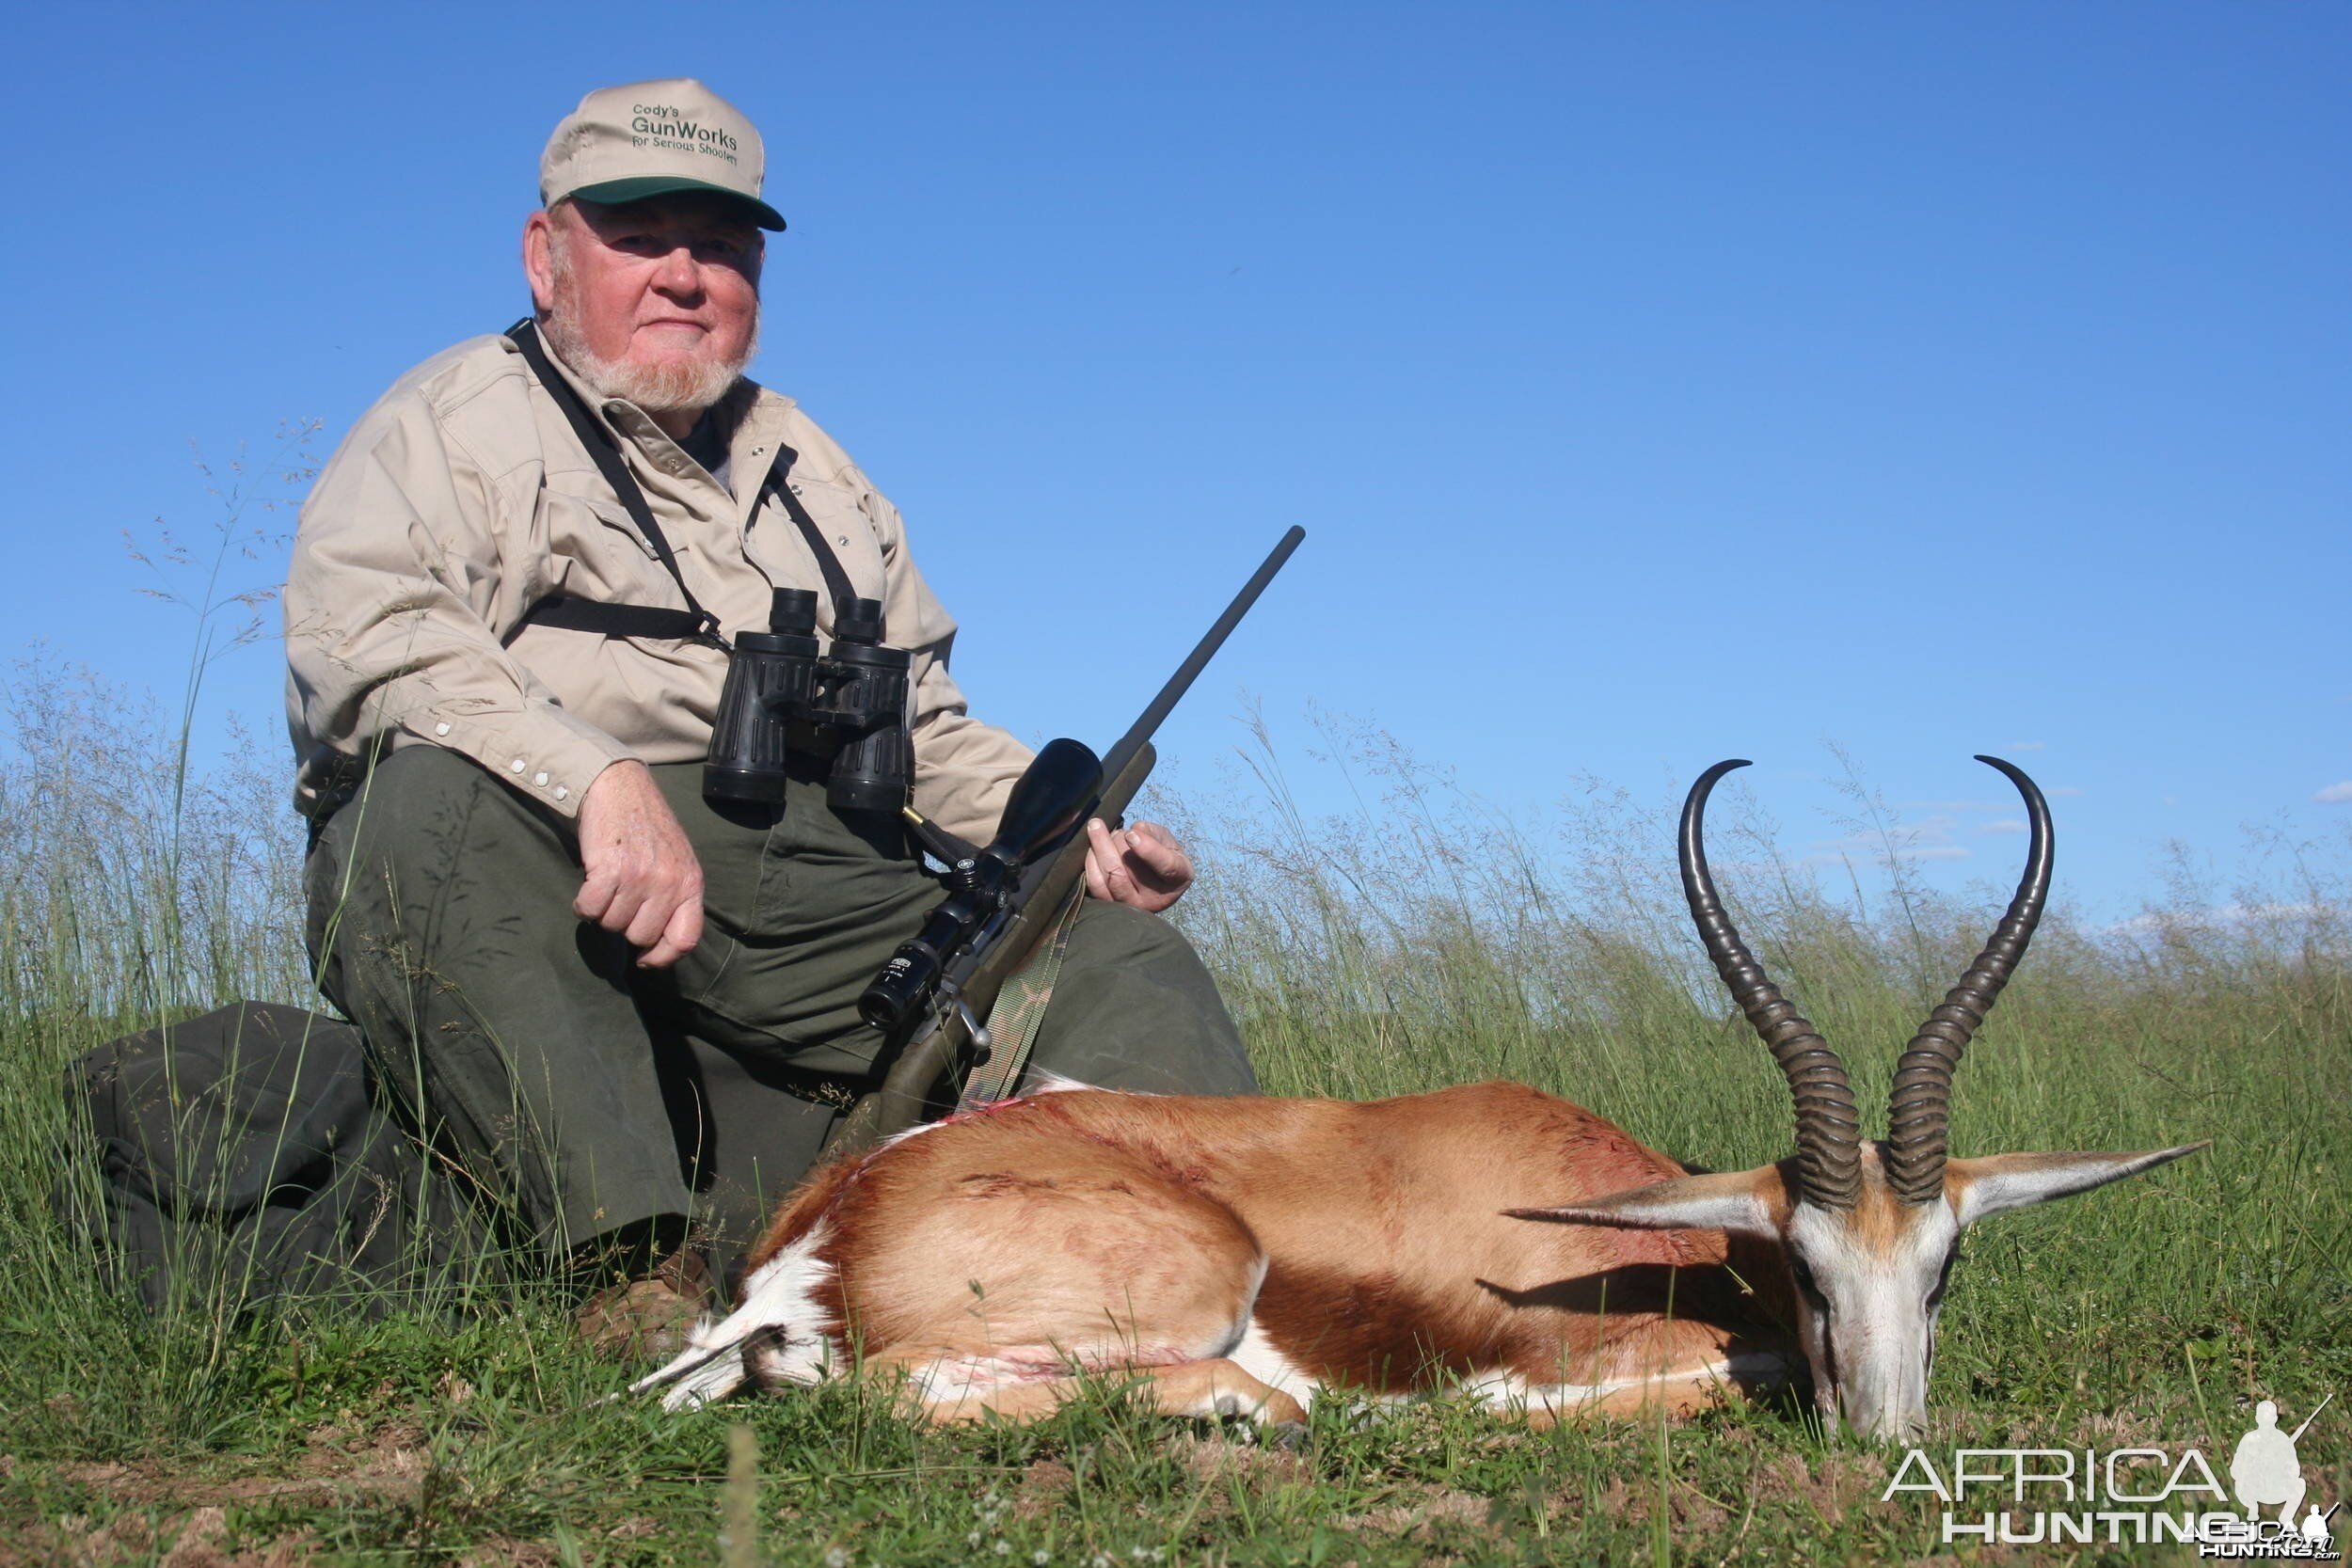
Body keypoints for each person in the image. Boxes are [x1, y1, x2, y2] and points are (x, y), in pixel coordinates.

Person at [285, 79, 1254, 1351]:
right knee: (413, 808)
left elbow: (925, 727)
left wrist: (1070, 838)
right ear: (547, 256)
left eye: (724, 245)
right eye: (640, 235)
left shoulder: (820, 468)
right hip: (562, 871)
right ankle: (631, 1275)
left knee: (1103, 945)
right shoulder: (453, 423)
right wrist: (599, 783)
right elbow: (372, 649)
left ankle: (1212, 1271)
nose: (686, 275)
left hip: (810, 883)